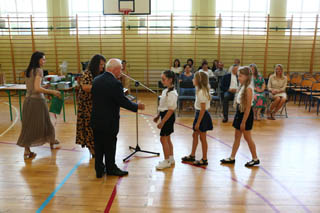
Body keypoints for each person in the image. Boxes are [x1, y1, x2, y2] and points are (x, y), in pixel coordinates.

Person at [91, 58, 145, 178]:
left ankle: (99, 169)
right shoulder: (115, 83)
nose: (121, 72)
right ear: (115, 69)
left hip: (96, 119)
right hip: (109, 121)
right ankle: (111, 168)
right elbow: (123, 102)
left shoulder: (96, 80)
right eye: (120, 69)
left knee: (98, 145)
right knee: (110, 144)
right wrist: (137, 106)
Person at [17, 51, 61, 160]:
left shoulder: (28, 70)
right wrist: (52, 92)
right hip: (37, 102)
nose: (44, 61)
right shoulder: (39, 71)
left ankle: (27, 151)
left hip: (28, 101)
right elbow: (37, 89)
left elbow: (33, 87)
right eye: (43, 59)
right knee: (46, 122)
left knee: (28, 126)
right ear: (38, 60)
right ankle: (51, 140)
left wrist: (43, 86)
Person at [220, 66, 260, 167]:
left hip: (245, 115)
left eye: (240, 76)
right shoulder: (242, 86)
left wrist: (243, 122)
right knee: (237, 137)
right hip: (239, 112)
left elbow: (247, 108)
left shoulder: (248, 89)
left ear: (247, 77)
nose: (238, 78)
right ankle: (232, 157)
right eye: (238, 76)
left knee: (248, 138)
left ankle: (255, 158)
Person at [76, 54, 106, 158]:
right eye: (101, 64)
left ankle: (96, 148)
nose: (102, 66)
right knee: (89, 127)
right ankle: (93, 150)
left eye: (103, 64)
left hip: (95, 104)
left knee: (95, 127)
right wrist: (101, 87)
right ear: (95, 64)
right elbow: (85, 87)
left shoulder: (99, 73)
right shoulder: (87, 74)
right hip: (87, 105)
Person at [181, 71, 213, 166]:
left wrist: (198, 123)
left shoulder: (202, 92)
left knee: (203, 138)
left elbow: (203, 109)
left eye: (194, 78)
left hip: (202, 116)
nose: (192, 80)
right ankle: (192, 155)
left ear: (198, 80)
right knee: (195, 135)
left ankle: (204, 159)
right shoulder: (199, 90)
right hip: (199, 114)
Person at [153, 70, 178, 170]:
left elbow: (171, 110)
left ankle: (166, 160)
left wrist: (162, 122)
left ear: (170, 80)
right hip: (164, 115)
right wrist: (158, 115)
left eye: (164, 79)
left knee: (163, 139)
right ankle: (171, 158)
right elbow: (163, 106)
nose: (162, 81)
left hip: (168, 117)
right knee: (167, 138)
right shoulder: (165, 91)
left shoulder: (172, 93)